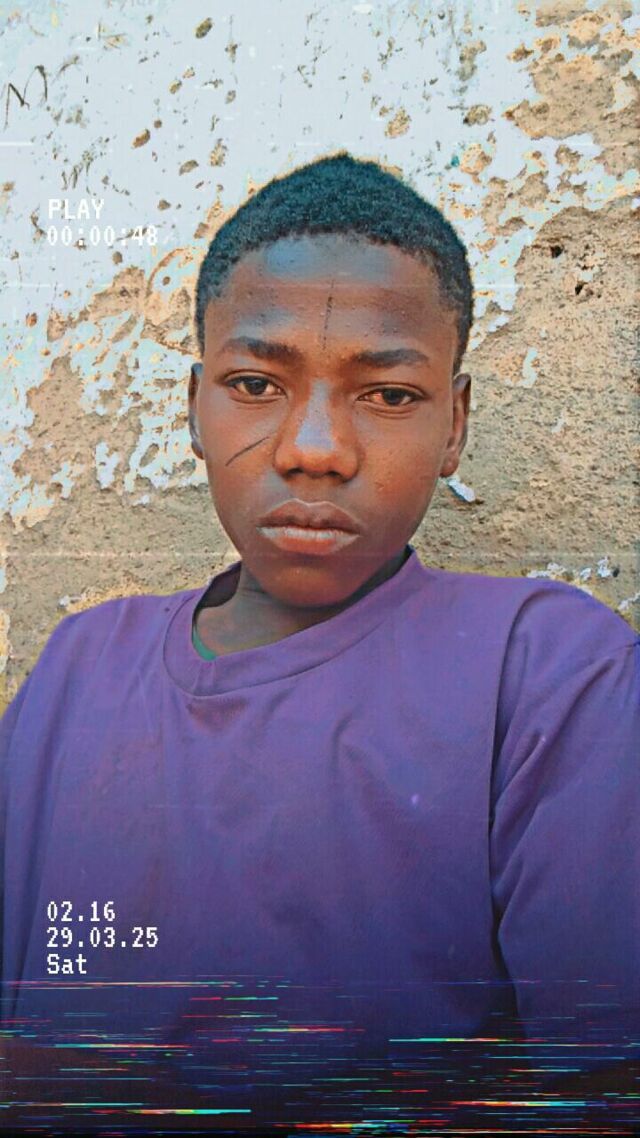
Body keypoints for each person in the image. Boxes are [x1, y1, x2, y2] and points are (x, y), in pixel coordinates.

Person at [0, 152, 637, 1134]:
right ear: (194, 409)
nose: (314, 449)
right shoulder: (77, 671)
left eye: (388, 395)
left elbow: (601, 1087)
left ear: (456, 424)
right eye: (256, 383)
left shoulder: (546, 672)